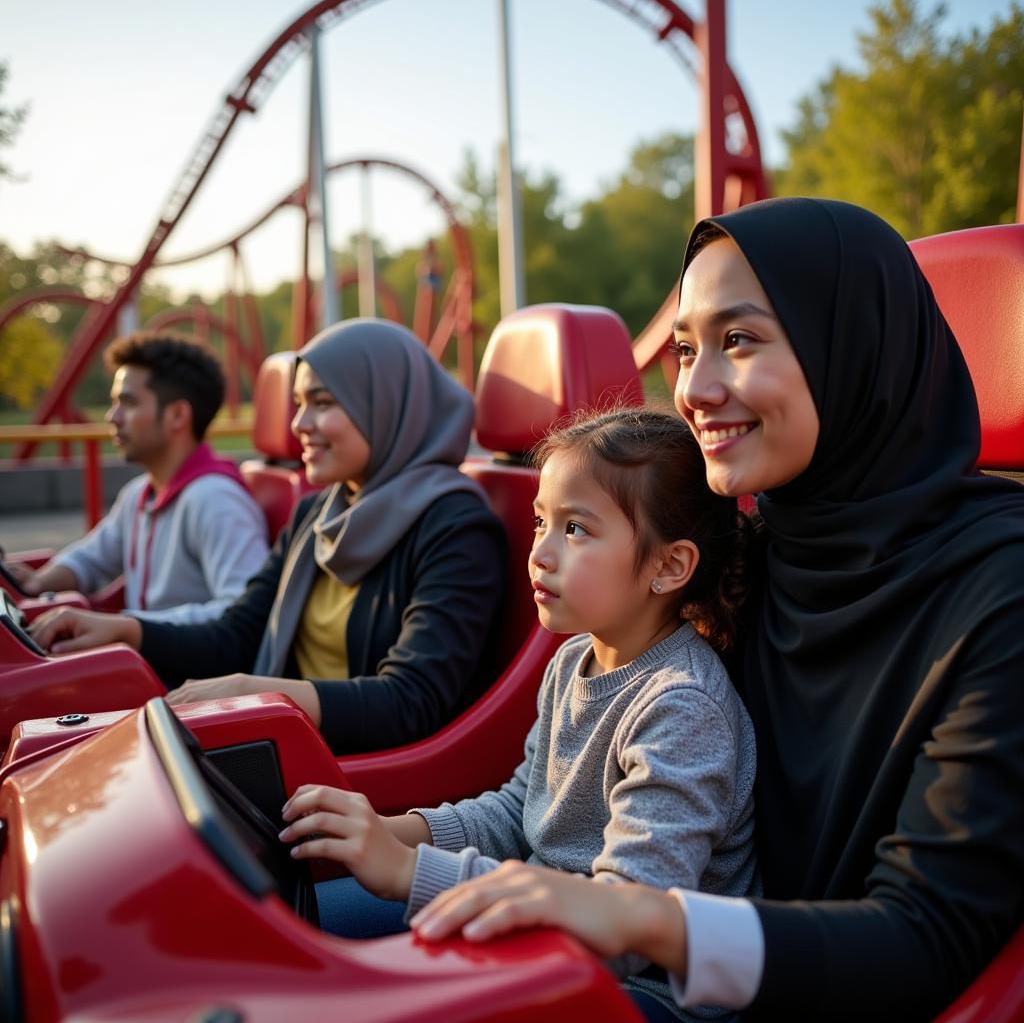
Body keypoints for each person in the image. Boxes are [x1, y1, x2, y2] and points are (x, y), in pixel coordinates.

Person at [406, 198, 1024, 1022]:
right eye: (687, 347)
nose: (692, 389)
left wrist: (643, 917)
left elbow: (927, 938)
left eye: (738, 340)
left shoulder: (1001, 589)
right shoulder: (754, 551)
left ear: (853, 351)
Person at [279, 407, 758, 1020]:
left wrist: (406, 870)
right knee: (306, 921)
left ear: (669, 566)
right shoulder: (571, 662)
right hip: (549, 933)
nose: (541, 554)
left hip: (642, 994)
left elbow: (629, 922)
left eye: (576, 529)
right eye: (540, 522)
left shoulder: (681, 706)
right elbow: (520, 812)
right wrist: (384, 830)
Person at [30, 319, 507, 755]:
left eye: (322, 403)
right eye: (299, 404)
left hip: (358, 771)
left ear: (383, 405)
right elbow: (239, 633)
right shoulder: (319, 513)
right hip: (287, 739)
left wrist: (259, 694)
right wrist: (126, 630)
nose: (299, 425)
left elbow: (413, 700)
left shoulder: (456, 528)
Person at [10, 331, 268, 623]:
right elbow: (92, 558)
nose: (113, 417)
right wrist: (37, 584)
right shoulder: (140, 493)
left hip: (187, 667)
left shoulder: (216, 501)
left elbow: (241, 614)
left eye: (128, 403)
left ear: (177, 416)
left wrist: (129, 628)